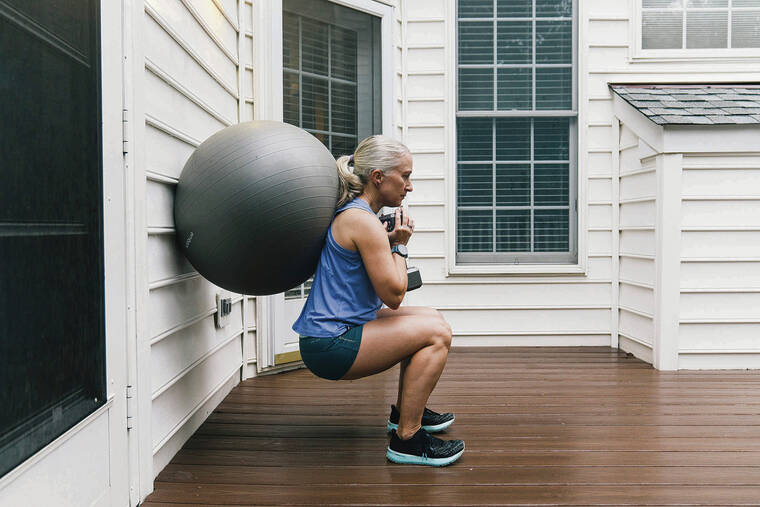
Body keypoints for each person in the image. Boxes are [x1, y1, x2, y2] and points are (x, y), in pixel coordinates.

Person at [292, 135, 465, 467]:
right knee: (436, 334)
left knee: (431, 317)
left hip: (338, 331)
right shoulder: (362, 220)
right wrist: (399, 245)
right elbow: (395, 295)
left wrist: (386, 243)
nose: (409, 187)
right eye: (405, 176)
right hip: (331, 344)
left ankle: (405, 412)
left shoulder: (358, 216)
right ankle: (408, 440)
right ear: (378, 177)